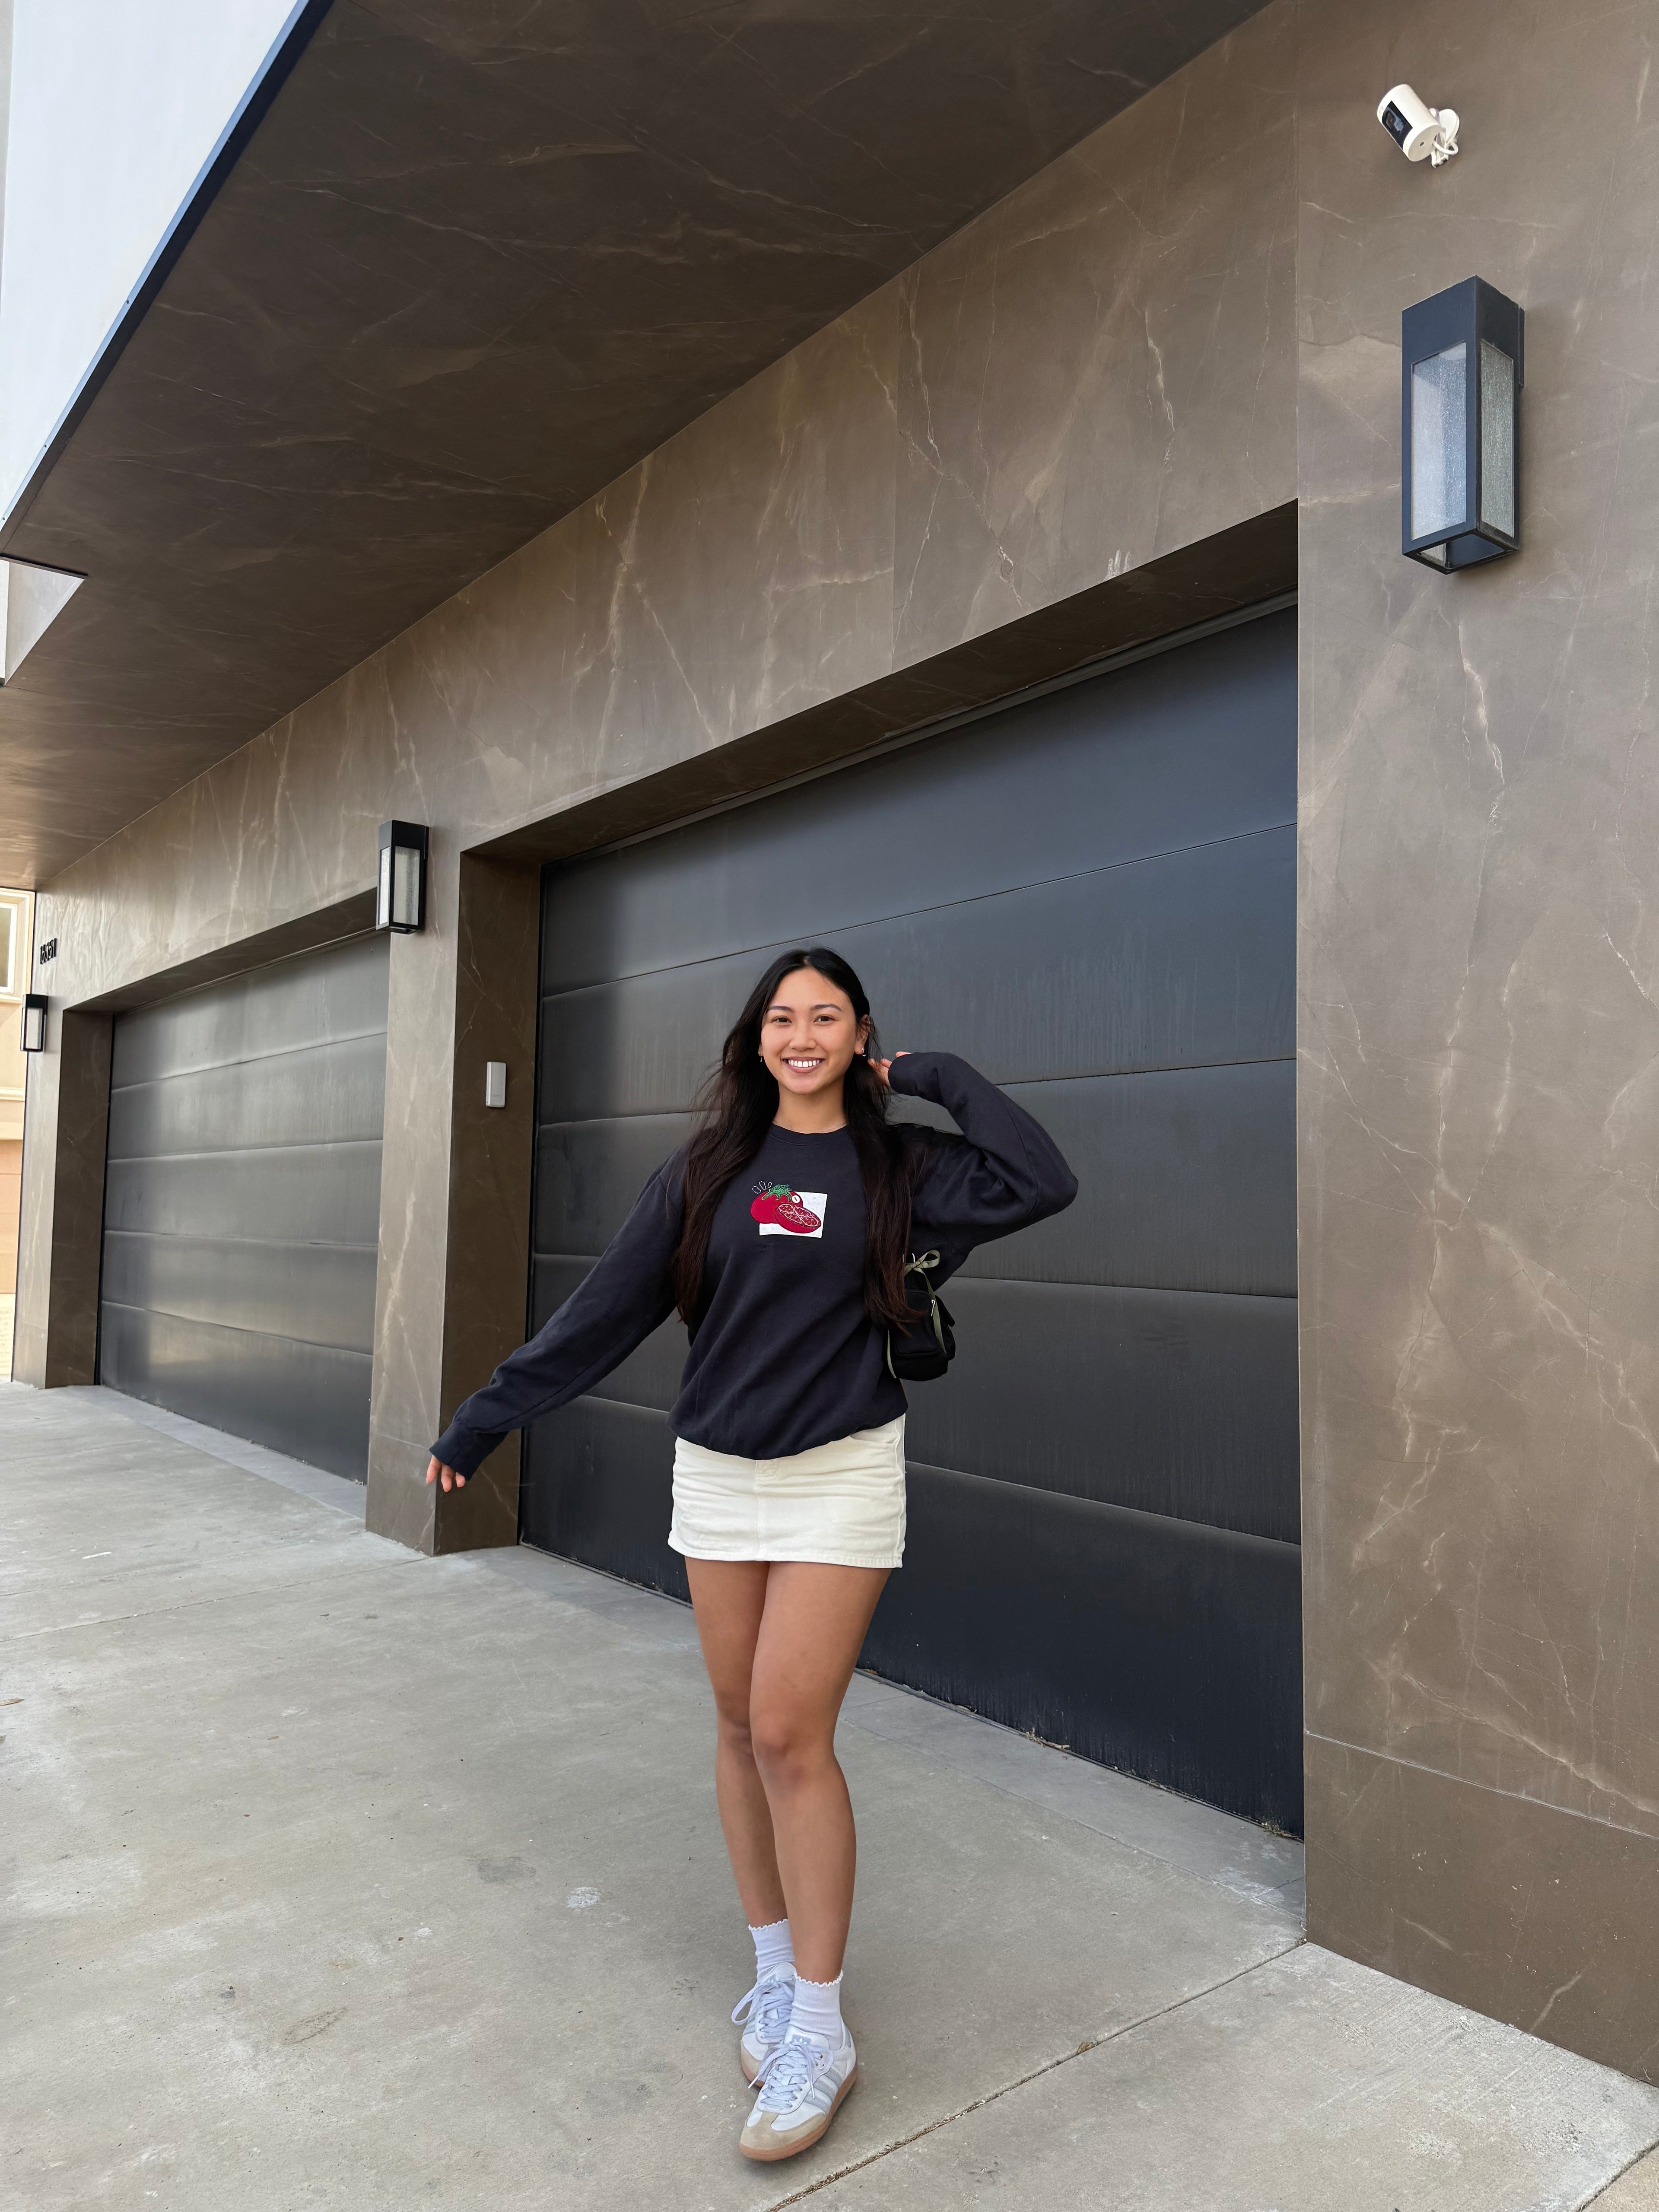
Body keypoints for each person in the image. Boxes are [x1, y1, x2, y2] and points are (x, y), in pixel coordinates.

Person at [426, 946, 1076, 2163]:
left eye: (826, 1015)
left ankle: (822, 2030)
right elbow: (605, 1311)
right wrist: (487, 1416)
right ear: (755, 1038)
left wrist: (929, 1075)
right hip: (719, 1478)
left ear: (859, 1034)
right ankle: (775, 1974)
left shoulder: (902, 1167)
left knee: (788, 1732)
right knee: (735, 1726)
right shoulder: (708, 1172)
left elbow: (1045, 1180)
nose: (802, 1033)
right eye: (783, 1015)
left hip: (839, 1476)